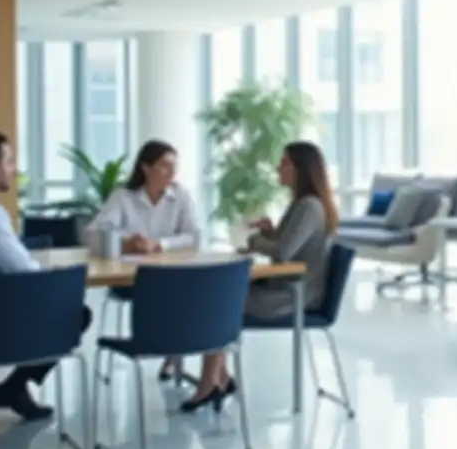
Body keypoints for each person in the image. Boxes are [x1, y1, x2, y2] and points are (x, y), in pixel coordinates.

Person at [181, 140, 336, 413]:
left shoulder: (309, 206)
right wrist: (270, 232)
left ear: (301, 168)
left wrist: (254, 241)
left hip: (294, 298)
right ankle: (219, 377)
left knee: (219, 302)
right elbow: (288, 245)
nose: (278, 167)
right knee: (219, 297)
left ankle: (211, 381)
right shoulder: (303, 204)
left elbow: (284, 252)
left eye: (285, 163)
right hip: (287, 290)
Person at [0, 129, 92, 421]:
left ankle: (15, 389)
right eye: (9, 162)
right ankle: (16, 386)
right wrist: (53, 274)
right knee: (75, 314)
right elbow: (24, 270)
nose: (14, 170)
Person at [87, 139, 202, 381]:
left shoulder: (180, 195)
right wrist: (126, 242)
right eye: (164, 165)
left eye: (174, 166)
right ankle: (169, 347)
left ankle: (174, 352)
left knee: (183, 288)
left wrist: (160, 244)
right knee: (174, 291)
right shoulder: (123, 197)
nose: (172, 172)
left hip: (169, 274)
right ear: (146, 168)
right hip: (130, 279)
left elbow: (193, 236)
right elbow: (94, 233)